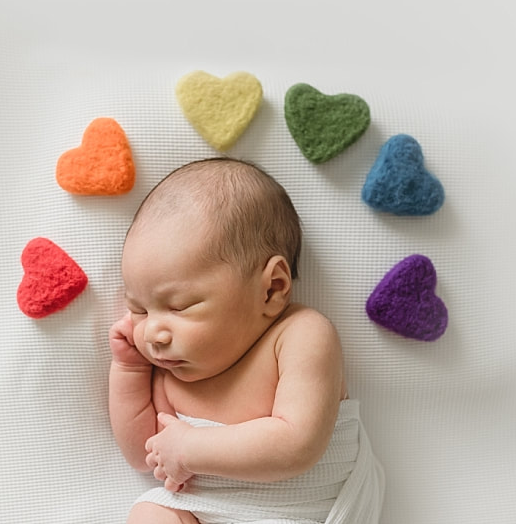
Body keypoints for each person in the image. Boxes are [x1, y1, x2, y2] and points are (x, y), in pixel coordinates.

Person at [108, 158, 384, 524]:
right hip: (209, 511)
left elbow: (296, 445)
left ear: (272, 289)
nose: (153, 334)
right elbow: (144, 454)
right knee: (150, 513)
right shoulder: (170, 374)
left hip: (303, 515)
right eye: (139, 310)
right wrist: (128, 368)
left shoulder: (299, 335)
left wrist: (190, 448)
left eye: (179, 306)